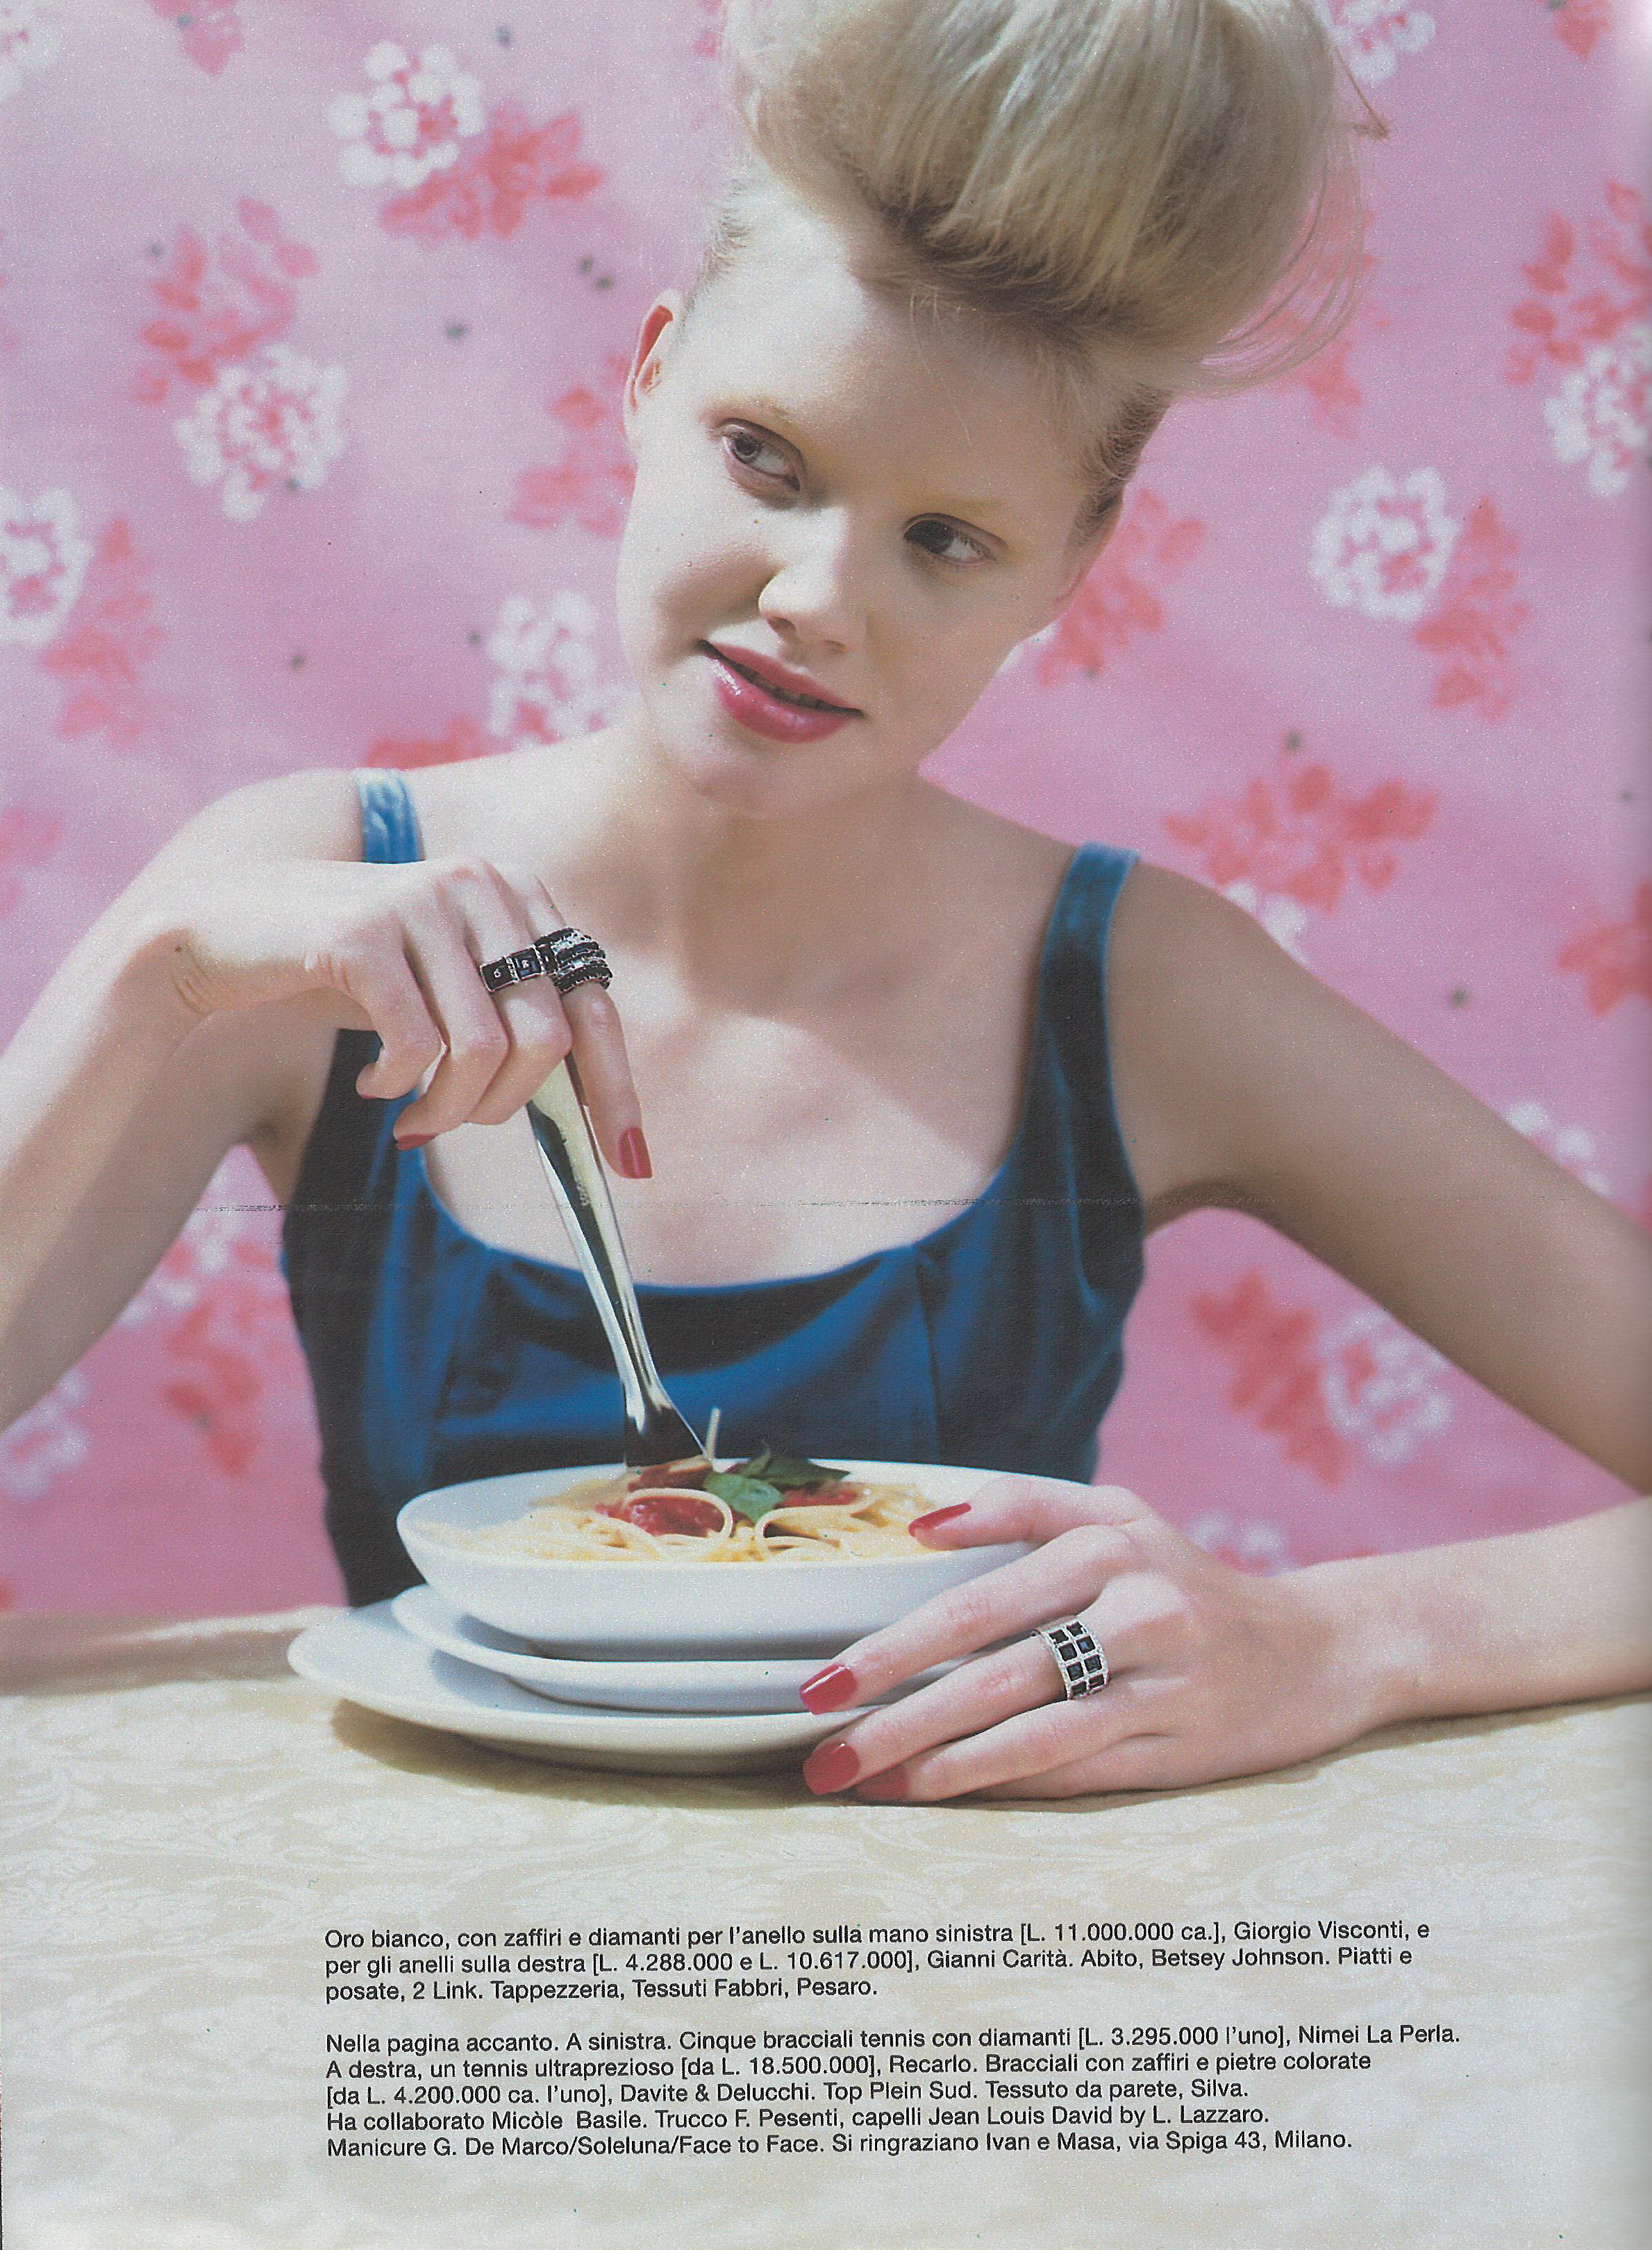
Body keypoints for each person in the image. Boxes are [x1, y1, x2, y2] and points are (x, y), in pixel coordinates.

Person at [1, 0, 1646, 1801]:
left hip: (990, 1961)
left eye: (945, 540)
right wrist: (151, 979)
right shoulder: (306, 891)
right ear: (649, 377)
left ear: (1070, 563)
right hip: (435, 1965)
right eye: (764, 456)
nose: (814, 599)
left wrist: (1336, 1638)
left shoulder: (1139, 987)